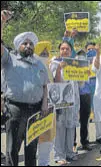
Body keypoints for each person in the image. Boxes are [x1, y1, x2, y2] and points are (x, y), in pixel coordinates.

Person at [1, 10, 49, 166]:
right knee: (12, 149)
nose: (28, 46)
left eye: (31, 44)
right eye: (25, 43)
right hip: (15, 110)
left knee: (31, 149)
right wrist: (2, 22)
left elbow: (44, 86)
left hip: (35, 111)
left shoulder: (39, 64)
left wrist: (44, 105)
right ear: (18, 45)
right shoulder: (9, 59)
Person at [49, 40, 80, 165]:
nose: (65, 51)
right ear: (59, 51)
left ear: (71, 51)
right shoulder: (54, 64)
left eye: (67, 49)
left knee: (70, 127)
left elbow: (80, 82)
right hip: (61, 102)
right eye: (62, 48)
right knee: (60, 129)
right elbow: (55, 83)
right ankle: (59, 155)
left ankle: (70, 153)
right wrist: (58, 69)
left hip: (73, 101)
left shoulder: (75, 64)